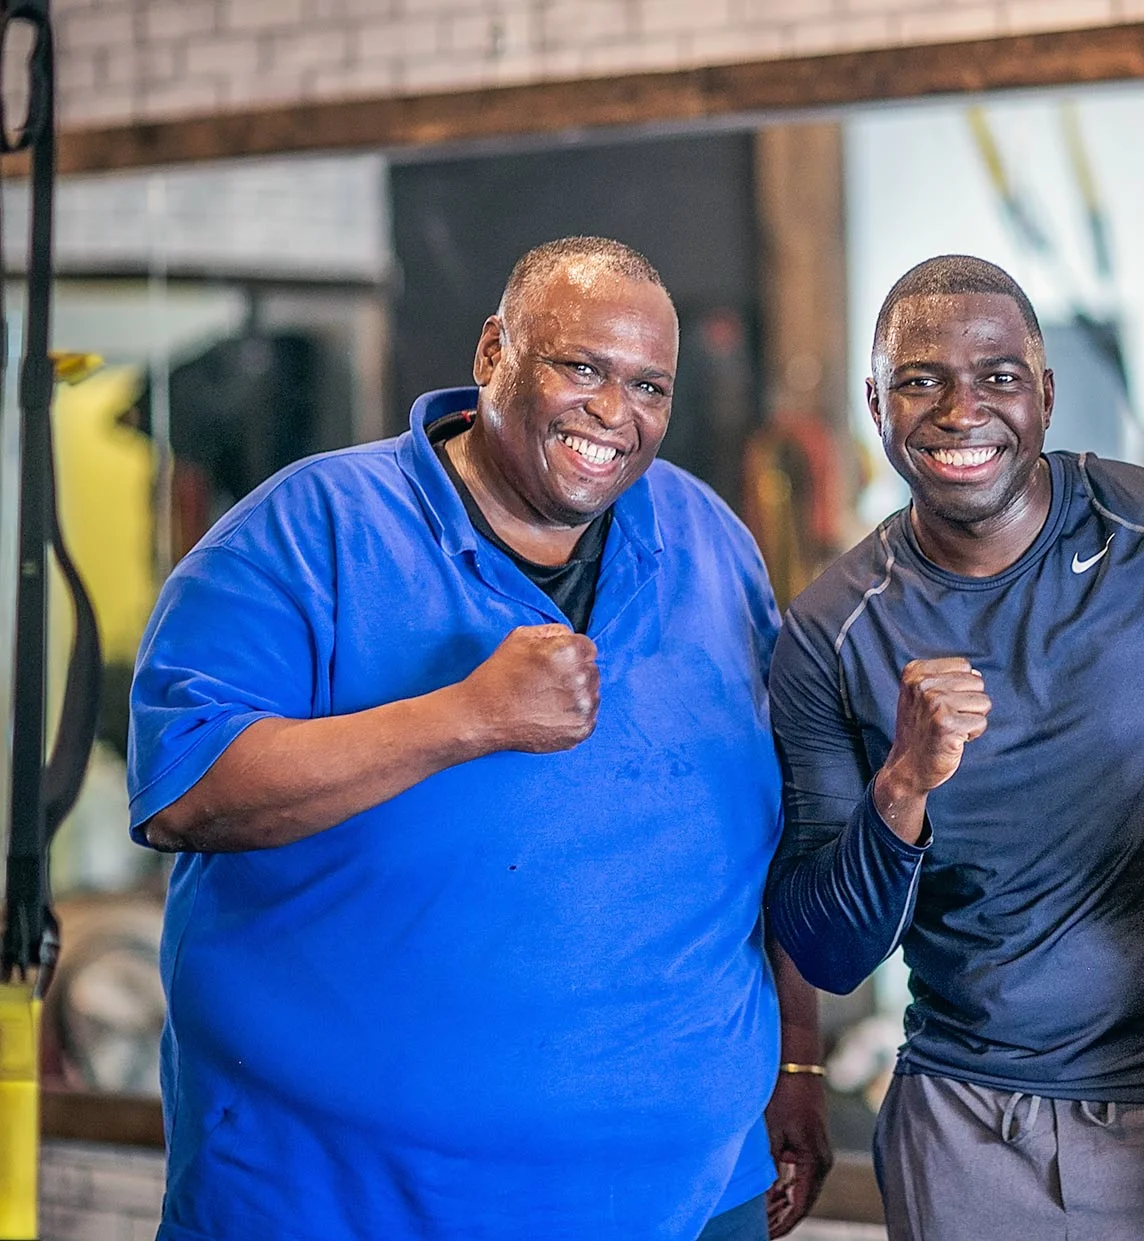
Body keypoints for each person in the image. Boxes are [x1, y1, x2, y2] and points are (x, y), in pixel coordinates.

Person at [128, 237, 830, 1241]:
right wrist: (465, 716)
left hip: (688, 1194)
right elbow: (185, 793)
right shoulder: (305, 532)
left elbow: (776, 819)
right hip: (343, 1202)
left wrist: (797, 1057)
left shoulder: (708, 538)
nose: (614, 411)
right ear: (494, 350)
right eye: (581, 367)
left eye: (648, 386)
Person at [765, 254, 1144, 1240]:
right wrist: (902, 785)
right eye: (920, 380)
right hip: (964, 1123)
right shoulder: (831, 628)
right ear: (875, 404)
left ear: (1043, 393)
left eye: (996, 376)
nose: (961, 410)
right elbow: (829, 946)